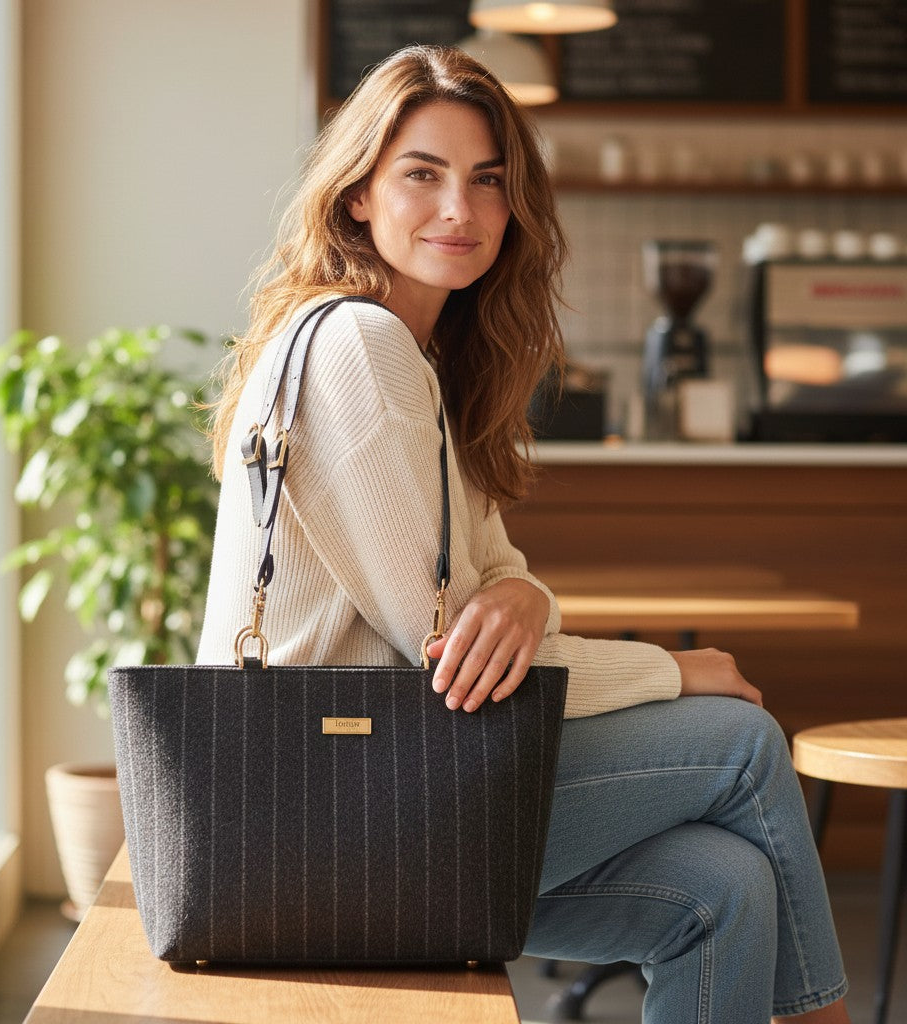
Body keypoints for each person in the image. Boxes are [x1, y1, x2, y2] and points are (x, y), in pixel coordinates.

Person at [198, 44, 851, 1024]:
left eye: (488, 182)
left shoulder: (419, 360)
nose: (460, 210)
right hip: (329, 815)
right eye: (422, 173)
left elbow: (496, 586)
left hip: (379, 798)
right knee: (744, 742)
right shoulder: (356, 343)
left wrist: (522, 597)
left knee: (723, 885)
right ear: (358, 195)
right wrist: (675, 669)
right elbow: (451, 651)